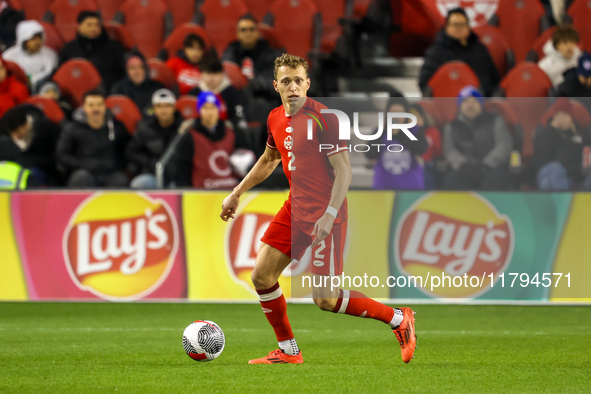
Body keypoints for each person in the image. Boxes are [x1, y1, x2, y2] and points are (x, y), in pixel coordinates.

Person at [219, 54, 416, 365]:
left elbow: (345, 171)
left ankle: (398, 319)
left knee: (325, 298)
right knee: (261, 276)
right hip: (295, 208)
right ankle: (288, 351)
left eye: (299, 80)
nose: (293, 87)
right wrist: (237, 192)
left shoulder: (325, 119)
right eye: (286, 81)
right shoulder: (274, 118)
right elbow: (270, 160)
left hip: (327, 212)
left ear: (308, 83)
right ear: (276, 85)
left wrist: (330, 213)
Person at [171, 91, 247, 189]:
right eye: (205, 108)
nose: (209, 112)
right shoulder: (190, 136)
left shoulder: (232, 133)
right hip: (201, 193)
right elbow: (182, 168)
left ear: (218, 109)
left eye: (213, 107)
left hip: (231, 190)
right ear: (199, 110)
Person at [443, 86, 513, 190]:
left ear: (481, 105)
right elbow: (450, 150)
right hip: (463, 169)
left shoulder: (495, 121)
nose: (470, 105)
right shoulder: (452, 126)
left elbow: (504, 144)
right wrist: (463, 165)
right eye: (466, 102)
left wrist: (487, 165)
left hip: (492, 168)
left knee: (495, 181)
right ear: (460, 106)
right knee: (452, 180)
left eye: (474, 101)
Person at [56, 89, 130, 188]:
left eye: (99, 105)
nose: (96, 109)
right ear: (84, 107)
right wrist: (82, 164)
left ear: (105, 106)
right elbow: (62, 155)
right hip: (84, 171)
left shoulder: (117, 127)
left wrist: (116, 165)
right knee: (81, 178)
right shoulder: (72, 128)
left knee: (121, 180)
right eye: (91, 105)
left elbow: (127, 150)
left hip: (110, 172)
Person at [418, 7, 500, 96]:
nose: (459, 28)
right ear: (447, 27)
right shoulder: (435, 53)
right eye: (455, 24)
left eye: (462, 24)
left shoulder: (480, 50)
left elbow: (495, 80)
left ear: (468, 27)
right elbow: (425, 85)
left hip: (481, 104)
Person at [366, 97, 428, 190]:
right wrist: (380, 132)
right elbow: (369, 154)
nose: (397, 116)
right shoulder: (380, 131)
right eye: (394, 112)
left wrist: (400, 133)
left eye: (400, 112)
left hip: (411, 186)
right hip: (384, 186)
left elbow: (421, 149)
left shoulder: (415, 130)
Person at [127, 89, 184, 189]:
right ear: (154, 109)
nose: (163, 110)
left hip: (176, 176)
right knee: (138, 184)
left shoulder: (184, 128)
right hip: (153, 174)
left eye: (167, 106)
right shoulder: (145, 128)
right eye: (159, 106)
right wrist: (150, 163)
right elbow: (132, 152)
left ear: (174, 107)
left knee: (179, 187)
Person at [531, 99, 591, 190]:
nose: (561, 118)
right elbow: (539, 161)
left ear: (571, 117)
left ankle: (559, 202)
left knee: (549, 178)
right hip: (548, 172)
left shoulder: (580, 136)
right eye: (558, 115)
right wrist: (551, 132)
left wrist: (564, 167)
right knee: (549, 175)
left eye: (565, 115)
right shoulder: (547, 134)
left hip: (571, 176)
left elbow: (582, 165)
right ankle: (563, 202)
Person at [59, 11, 126, 91]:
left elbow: (124, 74)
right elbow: (61, 75)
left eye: (97, 25)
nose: (94, 29)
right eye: (89, 25)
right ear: (79, 26)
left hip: (108, 94)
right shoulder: (69, 49)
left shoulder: (114, 47)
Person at [0, 105, 61, 186]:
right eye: (12, 133)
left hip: (44, 170)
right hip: (12, 170)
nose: (15, 136)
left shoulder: (46, 128)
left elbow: (59, 156)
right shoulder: (4, 133)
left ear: (25, 123)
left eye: (18, 131)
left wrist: (31, 161)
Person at [188, 59, 249, 138]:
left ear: (222, 75)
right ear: (201, 75)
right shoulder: (194, 93)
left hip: (227, 134)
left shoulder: (232, 92)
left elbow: (239, 117)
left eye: (215, 73)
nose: (212, 78)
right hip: (199, 134)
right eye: (208, 73)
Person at [2, 20, 58, 92]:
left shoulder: (51, 55)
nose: (37, 42)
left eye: (39, 37)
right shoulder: (8, 57)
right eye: (33, 38)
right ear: (23, 39)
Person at [111, 49, 165, 114]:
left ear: (145, 69)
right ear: (126, 71)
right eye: (132, 68)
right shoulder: (118, 90)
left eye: (140, 67)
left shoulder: (157, 88)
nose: (137, 71)